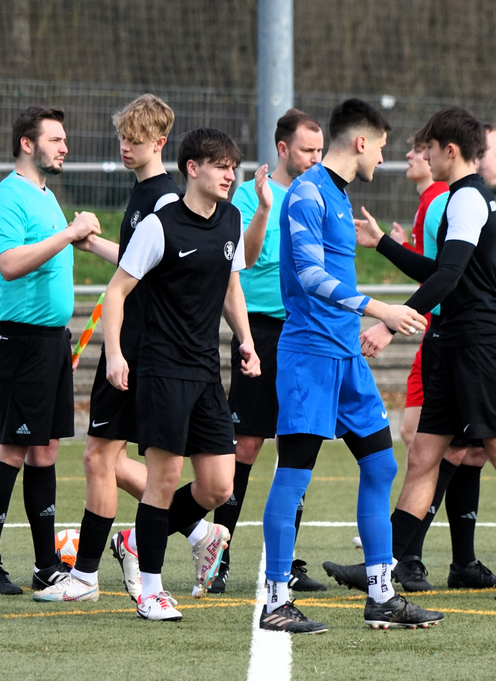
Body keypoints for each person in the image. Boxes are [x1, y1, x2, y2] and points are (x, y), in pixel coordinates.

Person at [325, 125, 496, 592]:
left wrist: (395, 318)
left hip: (476, 346)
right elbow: (440, 270)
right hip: (455, 345)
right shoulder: (462, 198)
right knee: (423, 455)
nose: (423, 155)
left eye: (429, 149)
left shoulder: (468, 199)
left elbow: (449, 276)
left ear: (449, 150)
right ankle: (384, 565)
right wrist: (384, 244)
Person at [258, 98, 441, 634]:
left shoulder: (337, 195)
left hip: (345, 358)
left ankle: (381, 594)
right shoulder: (307, 194)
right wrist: (378, 307)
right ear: (361, 141)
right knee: (293, 475)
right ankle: (274, 600)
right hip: (310, 356)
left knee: (382, 465)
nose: (384, 157)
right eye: (382, 146)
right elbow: (311, 277)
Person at [30, 95, 223, 603]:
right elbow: (141, 260)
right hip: (139, 345)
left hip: (143, 348)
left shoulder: (163, 199)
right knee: (107, 459)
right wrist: (93, 245)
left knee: (102, 457)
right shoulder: (143, 194)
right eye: (121, 138)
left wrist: (118, 351)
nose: (124, 147)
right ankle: (200, 535)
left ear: (160, 144)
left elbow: (151, 271)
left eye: (134, 141)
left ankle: (88, 576)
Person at [101, 127, 261, 621]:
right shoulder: (159, 225)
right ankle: (150, 590)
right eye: (220, 166)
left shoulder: (232, 219)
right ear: (193, 168)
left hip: (207, 371)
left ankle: (133, 541)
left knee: (219, 487)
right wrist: (114, 355)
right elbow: (116, 293)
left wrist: (247, 340)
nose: (230, 176)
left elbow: (232, 285)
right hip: (162, 369)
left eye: (233, 168)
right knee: (164, 479)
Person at [0, 106, 106, 596]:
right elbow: (9, 264)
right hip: (21, 341)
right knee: (14, 445)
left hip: (53, 341)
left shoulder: (47, 196)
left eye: (64, 139)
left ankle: (46, 564)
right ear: (28, 144)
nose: (64, 146)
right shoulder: (8, 196)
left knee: (45, 449)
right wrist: (68, 234)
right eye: (55, 139)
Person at [211, 108, 327, 594]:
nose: (316, 159)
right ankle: (219, 555)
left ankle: (288, 562)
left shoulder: (319, 195)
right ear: (283, 150)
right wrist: (261, 208)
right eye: (307, 150)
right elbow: (248, 257)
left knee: (296, 444)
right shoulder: (247, 195)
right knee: (248, 444)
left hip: (306, 331)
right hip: (258, 331)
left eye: (320, 151)